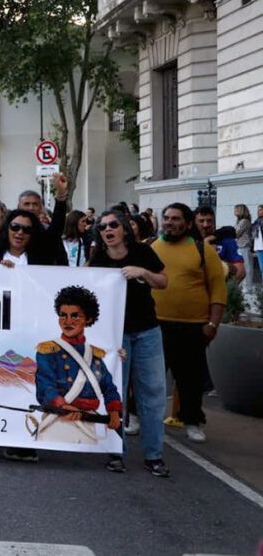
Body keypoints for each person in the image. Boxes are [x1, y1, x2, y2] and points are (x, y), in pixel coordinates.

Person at [89, 209, 170, 477]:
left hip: (147, 331)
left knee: (153, 393)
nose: (108, 230)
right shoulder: (98, 258)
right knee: (116, 393)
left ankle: (154, 455)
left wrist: (142, 272)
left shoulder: (143, 252)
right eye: (102, 227)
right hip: (114, 335)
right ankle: (115, 451)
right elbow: (85, 288)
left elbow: (163, 281)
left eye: (113, 224)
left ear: (124, 228)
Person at [0, 207, 67, 463]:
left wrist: (61, 200)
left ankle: (25, 440)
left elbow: (55, 233)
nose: (20, 233)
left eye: (27, 229)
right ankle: (4, 434)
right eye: (15, 227)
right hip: (1, 331)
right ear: (7, 229)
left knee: (30, 385)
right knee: (5, 384)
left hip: (33, 330)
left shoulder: (40, 258)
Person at [151, 203, 227, 443]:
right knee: (149, 376)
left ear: (187, 223)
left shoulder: (203, 250)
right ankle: (136, 415)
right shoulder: (152, 247)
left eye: (175, 218)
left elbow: (218, 289)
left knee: (190, 380)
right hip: (155, 325)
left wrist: (213, 324)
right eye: (166, 217)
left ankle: (193, 422)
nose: (169, 222)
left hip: (192, 327)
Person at [33, 286, 123, 445]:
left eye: (75, 315)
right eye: (63, 315)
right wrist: (61, 405)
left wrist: (114, 411)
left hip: (88, 421)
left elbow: (108, 387)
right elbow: (45, 385)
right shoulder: (48, 351)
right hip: (58, 419)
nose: (68, 321)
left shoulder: (94, 355)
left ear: (88, 319)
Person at [195, 205, 244, 282]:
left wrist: (222, 288)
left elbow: (240, 272)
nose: (206, 225)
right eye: (201, 221)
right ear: (194, 223)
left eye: (209, 220)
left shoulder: (227, 241)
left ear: (214, 222)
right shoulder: (189, 241)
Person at [234, 204, 252, 286]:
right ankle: (243, 286)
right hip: (240, 246)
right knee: (242, 266)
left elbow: (236, 233)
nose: (234, 211)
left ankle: (247, 287)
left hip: (244, 246)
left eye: (236, 209)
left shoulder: (244, 221)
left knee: (246, 266)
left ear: (241, 210)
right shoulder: (239, 221)